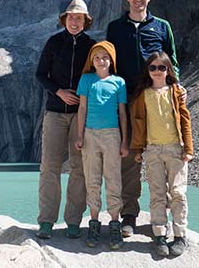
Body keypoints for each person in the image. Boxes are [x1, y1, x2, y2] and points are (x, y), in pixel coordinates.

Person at [106, 0, 181, 237]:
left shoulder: (162, 27)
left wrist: (175, 88)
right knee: (128, 156)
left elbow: (172, 60)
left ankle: (165, 216)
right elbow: (110, 64)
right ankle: (129, 214)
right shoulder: (115, 28)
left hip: (157, 99)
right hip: (127, 100)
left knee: (165, 153)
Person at [34, 0, 96, 239]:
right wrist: (58, 92)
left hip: (81, 116)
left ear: (85, 21)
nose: (74, 21)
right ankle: (47, 221)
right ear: (64, 20)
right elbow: (41, 75)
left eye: (79, 18)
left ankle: (73, 221)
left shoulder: (91, 47)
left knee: (79, 168)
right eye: (71, 17)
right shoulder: (53, 42)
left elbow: (98, 76)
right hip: (55, 113)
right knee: (49, 167)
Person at [130, 51, 193, 257]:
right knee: (157, 194)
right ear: (148, 71)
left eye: (161, 67)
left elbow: (185, 119)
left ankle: (180, 235)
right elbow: (138, 123)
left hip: (175, 148)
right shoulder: (142, 94)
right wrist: (138, 149)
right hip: (153, 149)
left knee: (178, 192)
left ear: (168, 70)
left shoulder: (176, 91)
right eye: (153, 68)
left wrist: (188, 149)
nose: (157, 71)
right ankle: (159, 234)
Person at [73, 41, 129, 250]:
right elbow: (82, 108)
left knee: (113, 178)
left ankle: (115, 222)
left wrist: (124, 140)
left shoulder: (119, 82)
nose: (101, 60)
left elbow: (123, 113)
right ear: (92, 61)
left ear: (111, 60)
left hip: (112, 135)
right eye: (97, 57)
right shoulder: (86, 80)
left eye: (105, 57)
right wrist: (80, 136)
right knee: (92, 178)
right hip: (90, 135)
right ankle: (94, 222)